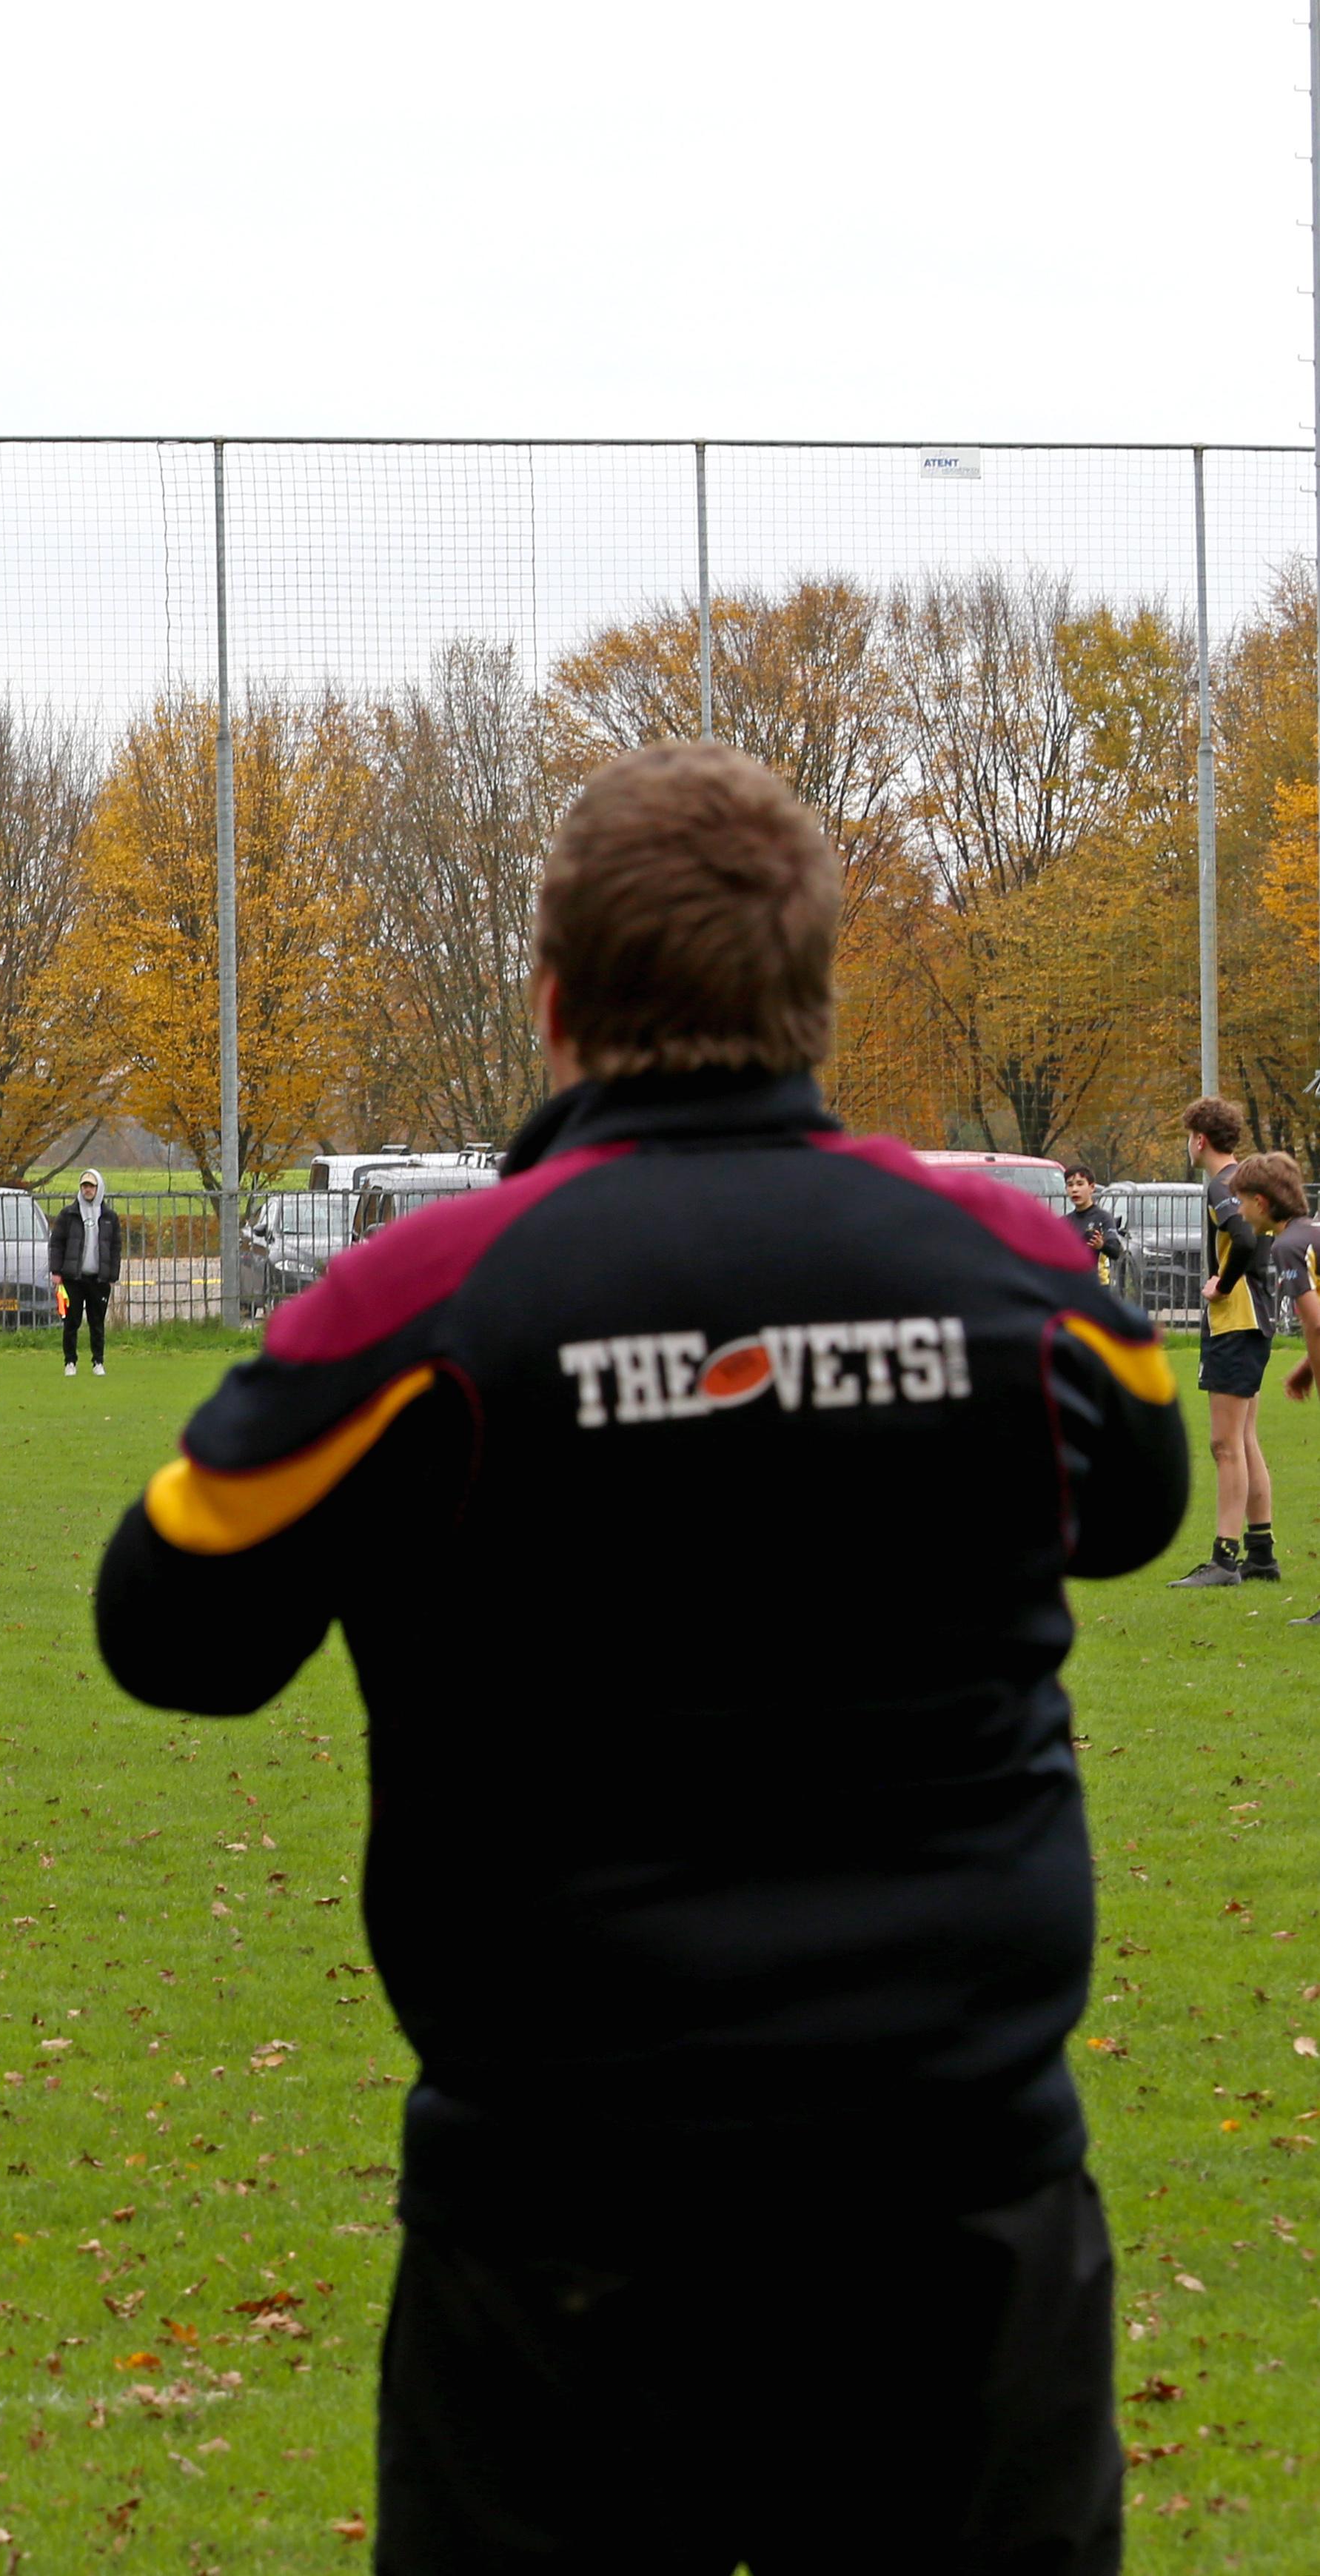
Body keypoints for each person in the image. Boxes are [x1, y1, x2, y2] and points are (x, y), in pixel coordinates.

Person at [93, 745, 1179, 2572]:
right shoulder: (1004, 1267)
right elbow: (1136, 1500)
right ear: (811, 993)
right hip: (955, 2206)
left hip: (566, 2225)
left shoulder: (427, 1299)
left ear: (549, 1000)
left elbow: (170, 1625)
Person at [1172, 1132, 1291, 1588]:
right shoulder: (1243, 1180)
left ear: (1199, 1139)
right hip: (1253, 1320)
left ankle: (1224, 1560)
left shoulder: (1223, 1185)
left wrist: (1220, 1285)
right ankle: (1261, 1554)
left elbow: (1241, 1238)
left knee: (1225, 1445)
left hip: (1234, 1322)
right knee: (1244, 1439)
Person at [50, 1169, 121, 1377]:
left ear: (98, 1188)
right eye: (84, 1186)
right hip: (73, 1278)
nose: (87, 1190)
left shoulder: (110, 1217)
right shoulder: (68, 1214)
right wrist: (56, 1271)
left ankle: (98, 1361)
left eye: (91, 1186)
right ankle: (70, 1362)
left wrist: (112, 1276)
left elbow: (116, 1248)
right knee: (71, 1321)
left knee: (97, 1322)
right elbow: (57, 1244)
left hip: (99, 1279)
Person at [1061, 1164, 1122, 1292]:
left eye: (1080, 1184)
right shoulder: (1064, 1222)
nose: (1074, 1189)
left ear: (1092, 1188)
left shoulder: (1103, 1218)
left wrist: (1102, 1246)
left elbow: (1116, 1251)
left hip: (1097, 1289)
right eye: (1070, 1185)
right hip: (1071, 1288)